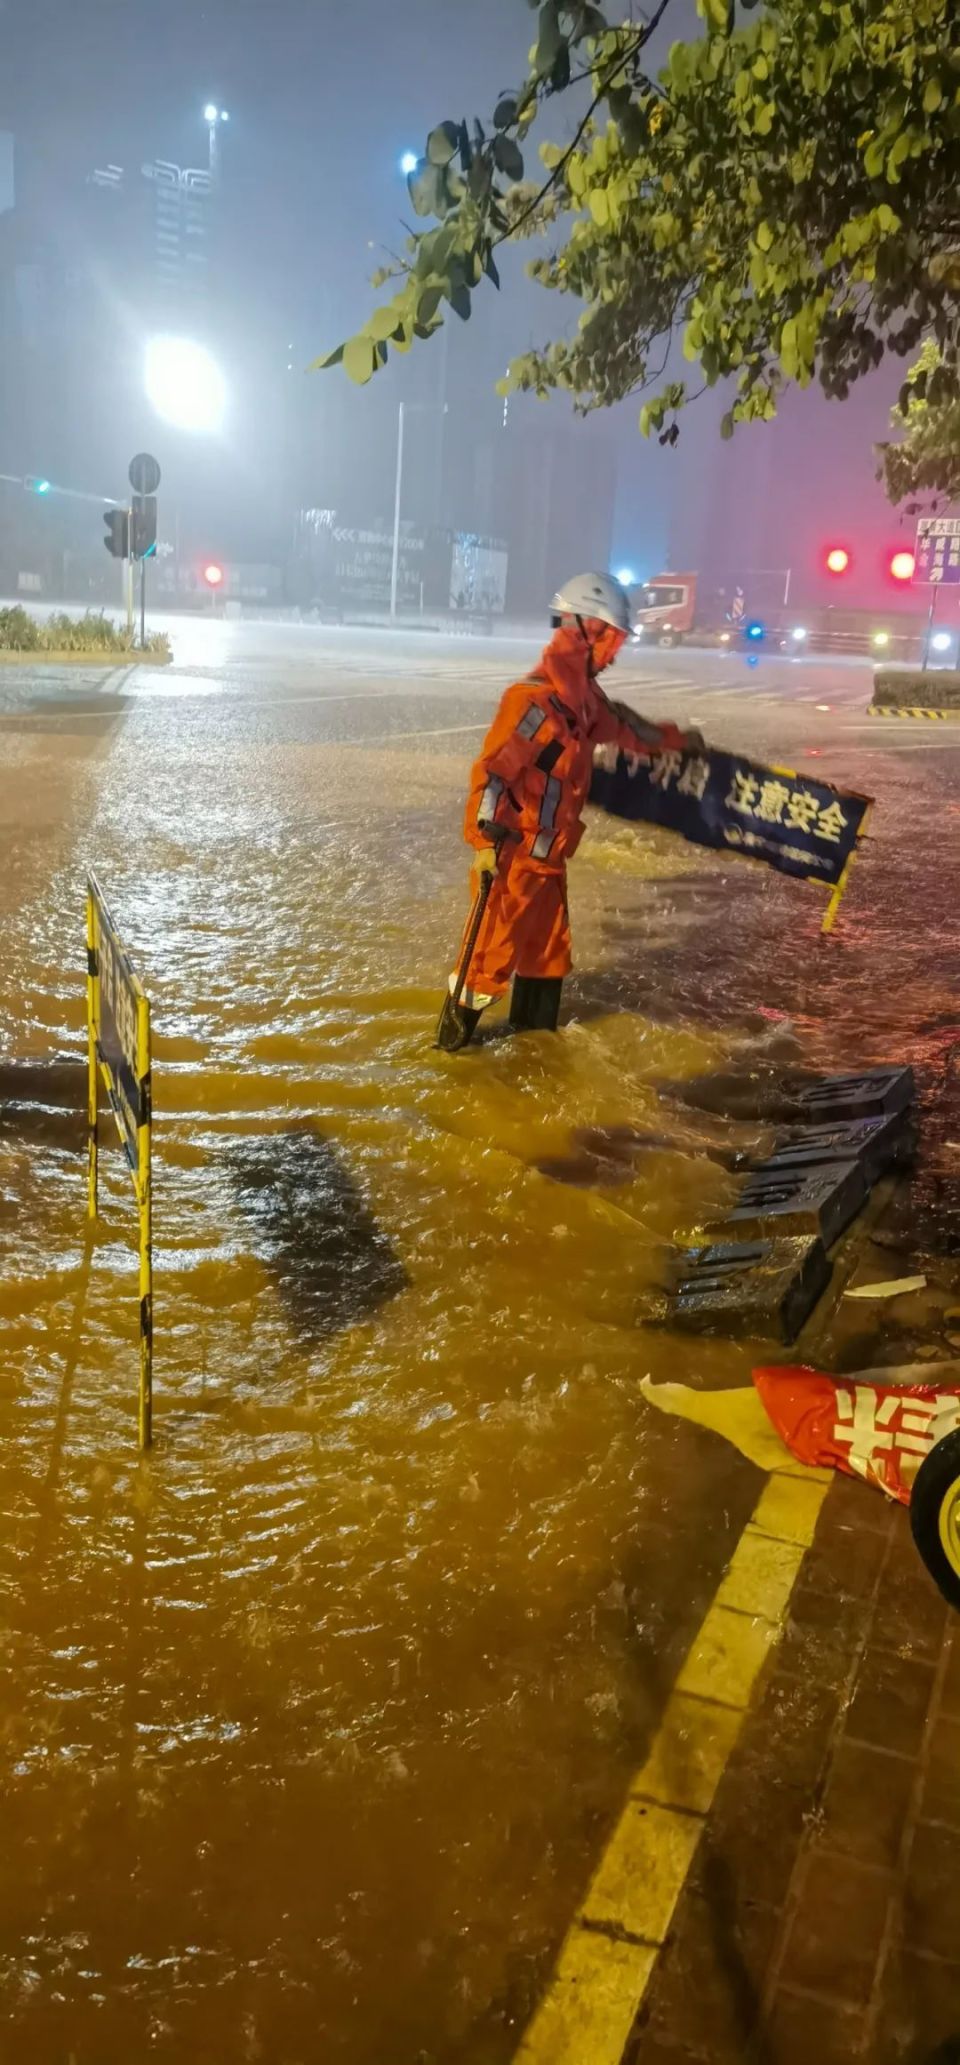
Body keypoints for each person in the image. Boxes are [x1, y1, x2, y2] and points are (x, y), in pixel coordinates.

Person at [436, 571, 703, 1052]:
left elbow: (627, 730)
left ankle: (531, 1053)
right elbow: (493, 775)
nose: (615, 653)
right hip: (512, 862)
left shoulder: (582, 704)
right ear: (584, 630)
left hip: (547, 865)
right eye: (610, 640)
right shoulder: (533, 701)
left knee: (547, 960)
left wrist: (677, 743)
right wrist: (483, 845)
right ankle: (451, 1057)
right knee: (485, 964)